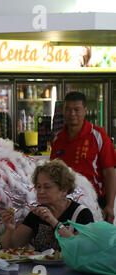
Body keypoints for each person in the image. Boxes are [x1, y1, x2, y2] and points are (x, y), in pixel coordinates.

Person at [0, 159, 94, 275]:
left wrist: (54, 222)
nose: (40, 192)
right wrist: (10, 229)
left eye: (47, 187)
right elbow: (11, 247)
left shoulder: (82, 214)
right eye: (38, 187)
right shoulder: (36, 213)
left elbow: (80, 250)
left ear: (63, 190)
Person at [50, 91, 116, 224]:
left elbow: (110, 172)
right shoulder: (58, 140)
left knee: (93, 242)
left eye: (77, 109)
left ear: (85, 111)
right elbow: (53, 174)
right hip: (65, 204)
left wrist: (109, 205)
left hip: (95, 203)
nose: (72, 113)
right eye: (68, 109)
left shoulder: (98, 136)